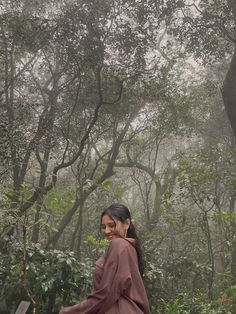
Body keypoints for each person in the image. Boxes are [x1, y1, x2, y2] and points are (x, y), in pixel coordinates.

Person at [59, 203, 150, 314]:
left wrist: (69, 311)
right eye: (103, 227)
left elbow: (106, 293)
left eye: (111, 226)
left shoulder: (119, 245)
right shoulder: (129, 248)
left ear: (126, 224)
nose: (106, 231)